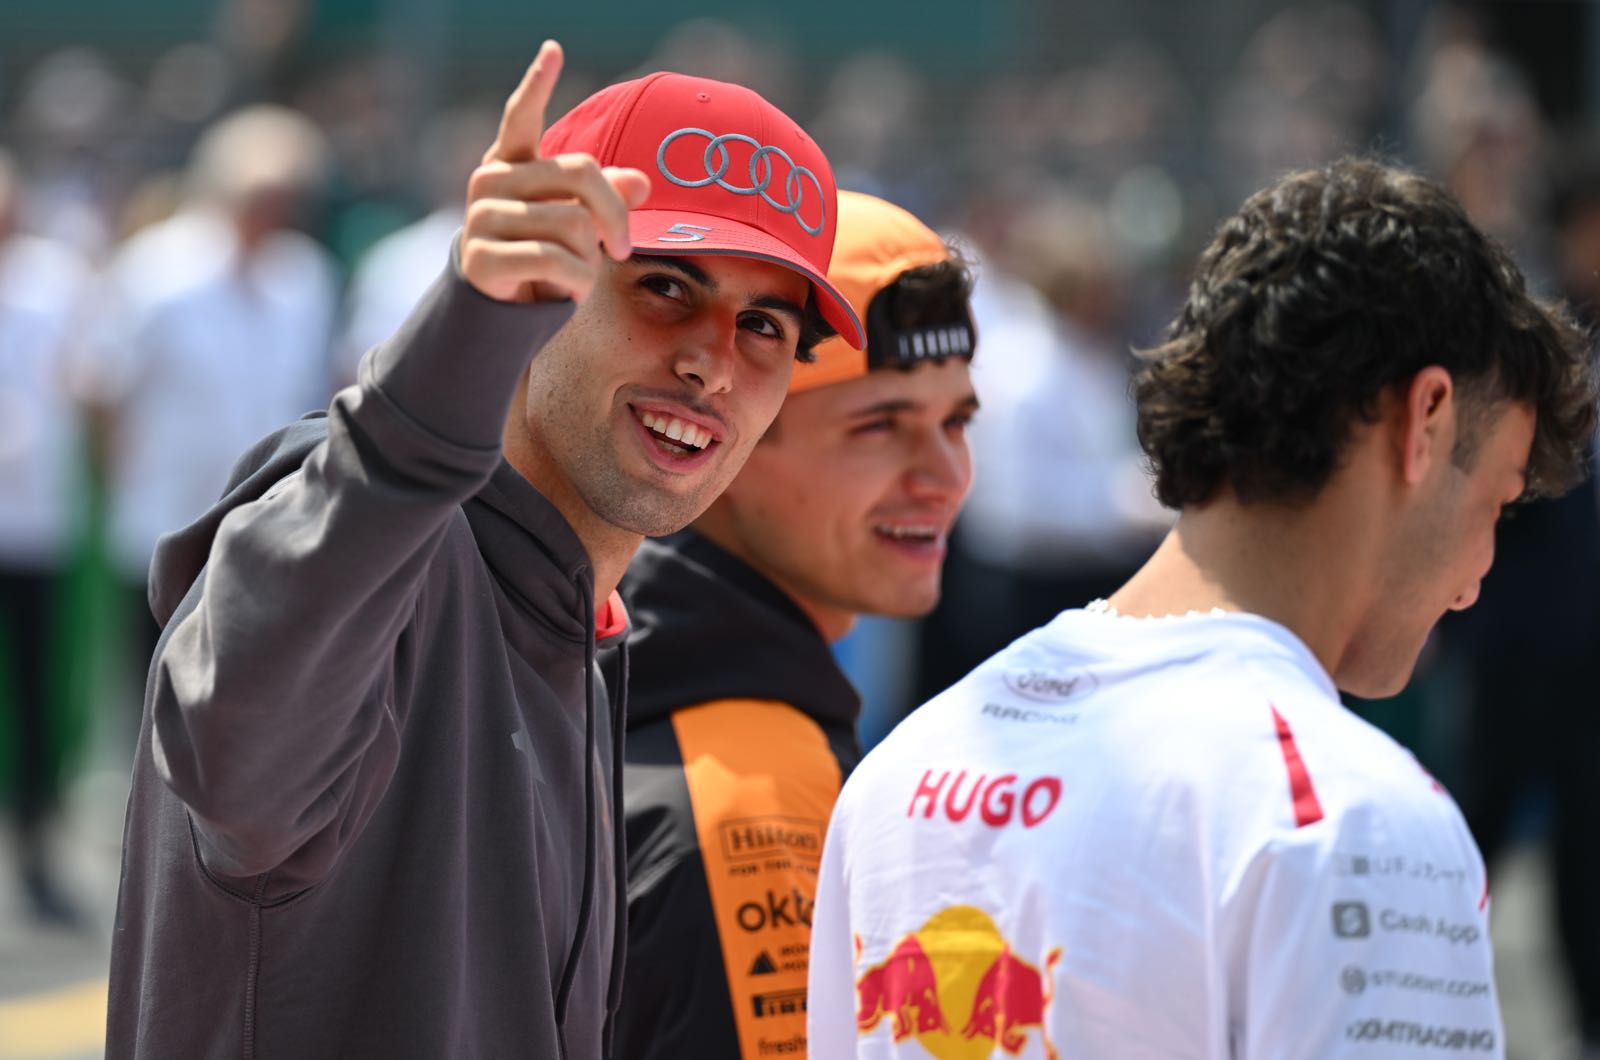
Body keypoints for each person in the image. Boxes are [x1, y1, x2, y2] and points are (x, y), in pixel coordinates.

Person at [107, 41, 864, 1059]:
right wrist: (461, 339)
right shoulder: (385, 566)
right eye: (664, 286)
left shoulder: (581, 624)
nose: (712, 362)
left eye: (765, 324)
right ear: (545, 292)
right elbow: (236, 741)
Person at [807, 157, 1597, 1060]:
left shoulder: (900, 771)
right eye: (1496, 504)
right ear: (1426, 420)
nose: (1474, 581)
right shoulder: (1351, 822)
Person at [611, 191, 977, 1060]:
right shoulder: (754, 795)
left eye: (958, 420)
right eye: (880, 425)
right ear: (728, 431)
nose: (945, 476)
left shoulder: (608, 665)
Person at [78, 104, 341, 693]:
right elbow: (105, 386)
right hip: (164, 521)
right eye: (262, 196)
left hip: (270, 528)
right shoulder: (154, 270)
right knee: (153, 686)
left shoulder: (305, 278)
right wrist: (122, 478)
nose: (274, 212)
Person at [0, 148, 93, 926]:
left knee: (36, 693)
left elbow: (86, 379)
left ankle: (38, 842)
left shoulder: (55, 281)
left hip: (33, 521)